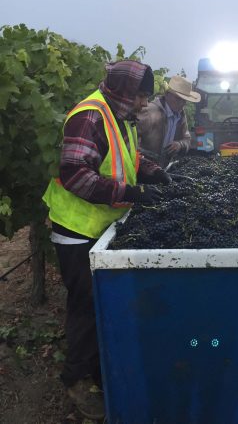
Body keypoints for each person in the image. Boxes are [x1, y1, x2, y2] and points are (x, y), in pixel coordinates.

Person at [42, 60, 170, 420]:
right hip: (77, 229)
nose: (146, 103)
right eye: (142, 95)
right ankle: (76, 379)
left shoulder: (117, 115)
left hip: (100, 226)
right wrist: (132, 192)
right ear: (125, 92)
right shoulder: (90, 115)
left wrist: (154, 173)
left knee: (99, 302)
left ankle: (100, 368)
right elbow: (75, 174)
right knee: (84, 304)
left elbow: (128, 156)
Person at [137, 75, 200, 168]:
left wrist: (179, 144)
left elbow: (187, 140)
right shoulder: (149, 111)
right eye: (178, 99)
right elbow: (129, 140)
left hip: (162, 168)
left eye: (184, 100)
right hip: (143, 168)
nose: (181, 103)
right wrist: (145, 156)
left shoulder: (181, 116)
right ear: (167, 94)